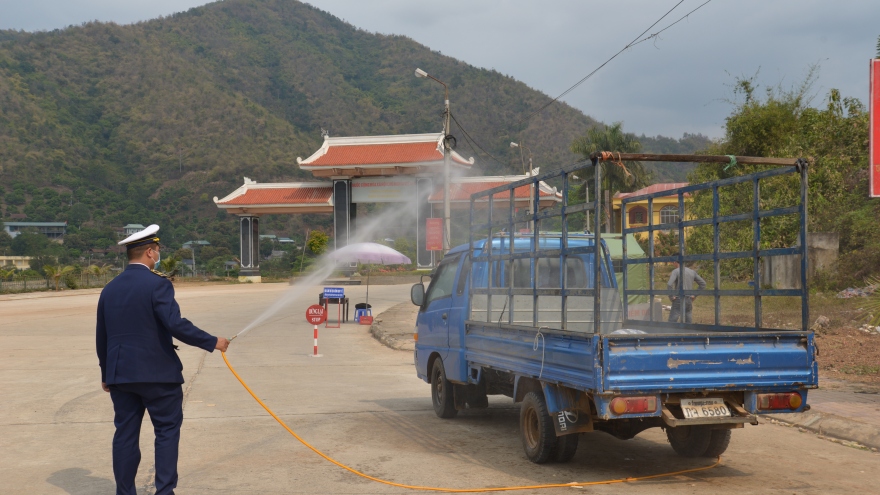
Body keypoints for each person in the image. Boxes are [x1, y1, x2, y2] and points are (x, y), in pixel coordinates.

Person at [96, 224, 230, 495]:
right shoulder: (158, 284)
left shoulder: (109, 289)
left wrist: (105, 373)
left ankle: (125, 492)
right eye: (157, 250)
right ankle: (164, 491)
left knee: (125, 435)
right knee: (167, 432)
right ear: (149, 252)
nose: (158, 254)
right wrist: (212, 342)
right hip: (158, 374)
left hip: (120, 375)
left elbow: (103, 336)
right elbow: (175, 324)